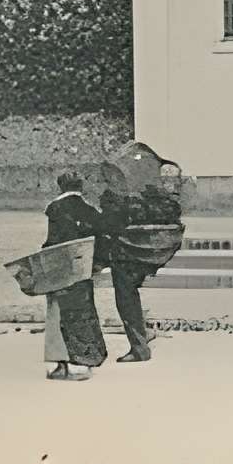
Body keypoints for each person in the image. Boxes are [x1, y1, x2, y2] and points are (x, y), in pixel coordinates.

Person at [100, 159, 185, 365]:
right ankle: (142, 335)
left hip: (127, 254)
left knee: (126, 296)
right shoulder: (159, 197)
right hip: (150, 252)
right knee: (131, 293)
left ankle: (139, 348)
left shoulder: (120, 198)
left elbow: (109, 224)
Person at [43, 170, 109, 381]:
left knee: (57, 315)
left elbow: (52, 242)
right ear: (81, 188)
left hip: (60, 268)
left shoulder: (55, 209)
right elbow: (102, 242)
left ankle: (60, 366)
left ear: (60, 187)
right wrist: (98, 265)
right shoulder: (90, 211)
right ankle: (81, 364)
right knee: (82, 315)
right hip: (83, 270)